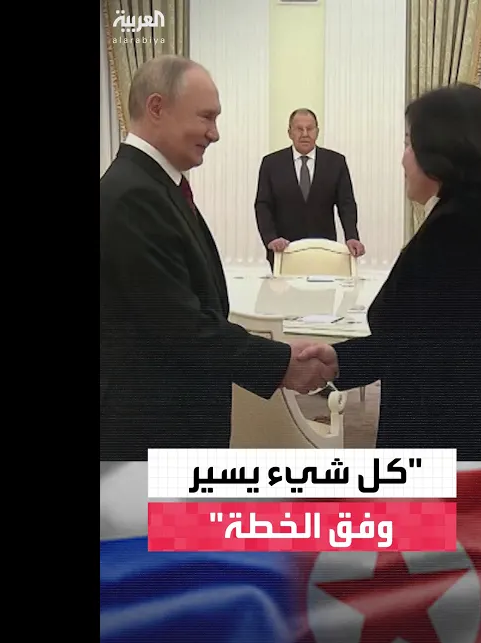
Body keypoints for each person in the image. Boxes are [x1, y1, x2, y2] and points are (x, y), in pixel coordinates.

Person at [100, 56, 337, 458]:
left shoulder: (155, 186)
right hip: (151, 432)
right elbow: (180, 326)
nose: (215, 133)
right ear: (157, 107)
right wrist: (280, 363)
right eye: (206, 117)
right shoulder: (132, 196)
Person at [297, 84, 481, 458]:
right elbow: (426, 338)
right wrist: (341, 360)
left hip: (445, 440)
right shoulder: (477, 217)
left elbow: (426, 350)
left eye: (409, 144)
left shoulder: (458, 230)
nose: (402, 159)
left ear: (442, 151)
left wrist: (342, 360)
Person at [253, 109, 364, 270]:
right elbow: (263, 205)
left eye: (310, 129)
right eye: (299, 129)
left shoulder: (336, 162)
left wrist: (352, 236)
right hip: (283, 251)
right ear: (290, 132)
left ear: (317, 132)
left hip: (324, 251)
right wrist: (270, 238)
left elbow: (346, 204)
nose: (305, 134)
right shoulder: (271, 163)